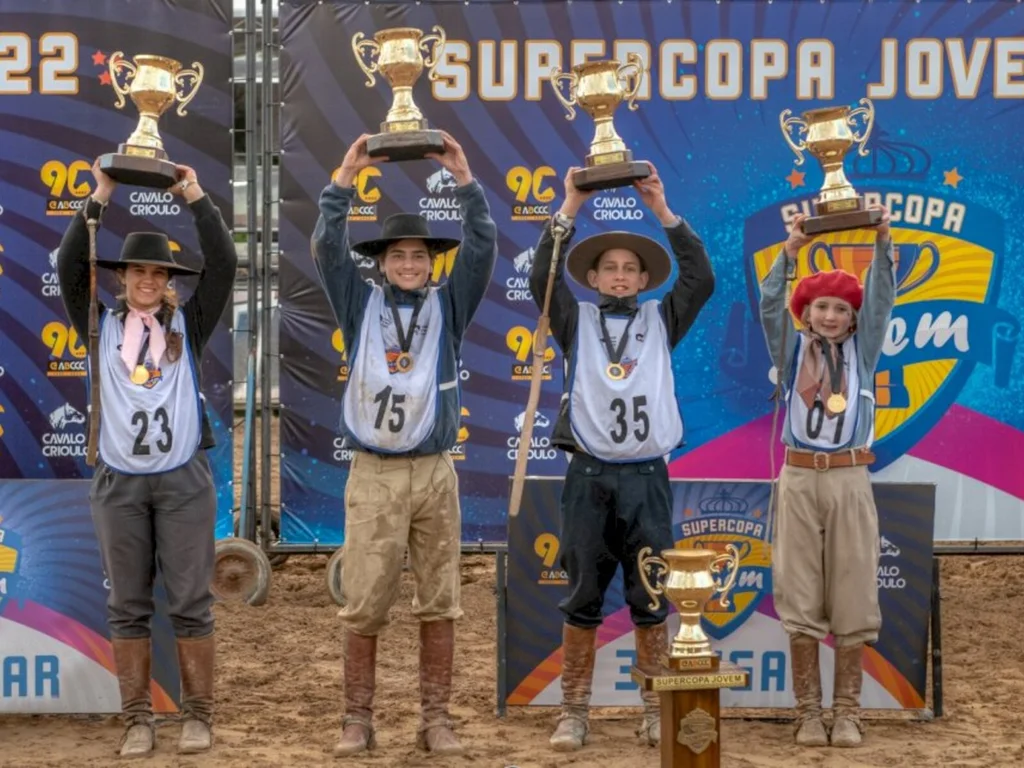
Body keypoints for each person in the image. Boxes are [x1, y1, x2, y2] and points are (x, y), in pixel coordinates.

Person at [311, 132, 497, 757]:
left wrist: (466, 180)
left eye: (420, 256)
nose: (410, 265)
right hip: (374, 473)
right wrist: (343, 180)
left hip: (435, 472)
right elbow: (326, 247)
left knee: (440, 599)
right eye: (399, 256)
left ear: (432, 263)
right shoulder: (359, 305)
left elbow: (482, 247)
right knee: (363, 600)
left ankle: (435, 719)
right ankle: (356, 719)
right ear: (383, 262)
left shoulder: (451, 306)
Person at [529, 165, 715, 751]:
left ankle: (655, 708)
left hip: (646, 477)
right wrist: (569, 206)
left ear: (643, 278)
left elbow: (701, 278)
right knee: (583, 594)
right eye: (608, 267)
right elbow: (541, 276)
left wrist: (662, 211)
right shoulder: (575, 320)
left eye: (630, 268)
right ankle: (574, 711)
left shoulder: (662, 317)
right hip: (587, 475)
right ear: (592, 277)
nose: (619, 275)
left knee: (652, 594)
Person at [56, 160, 237, 757]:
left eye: (159, 273)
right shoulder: (97, 324)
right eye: (139, 271)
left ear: (169, 281)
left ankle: (198, 716)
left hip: (183, 480)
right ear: (121, 277)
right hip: (120, 483)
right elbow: (67, 264)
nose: (148, 281)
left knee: (190, 601)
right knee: (127, 603)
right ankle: (137, 719)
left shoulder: (191, 322)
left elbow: (225, 262)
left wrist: (196, 196)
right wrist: (100, 194)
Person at [758, 207, 895, 748]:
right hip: (797, 477)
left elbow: (881, 298)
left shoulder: (865, 349)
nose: (831, 316)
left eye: (842, 308)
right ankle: (808, 714)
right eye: (821, 307)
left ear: (855, 319)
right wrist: (789, 253)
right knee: (799, 590)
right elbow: (770, 304)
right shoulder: (790, 349)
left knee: (854, 588)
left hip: (848, 477)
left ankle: (848, 713)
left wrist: (882, 241)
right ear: (806, 313)